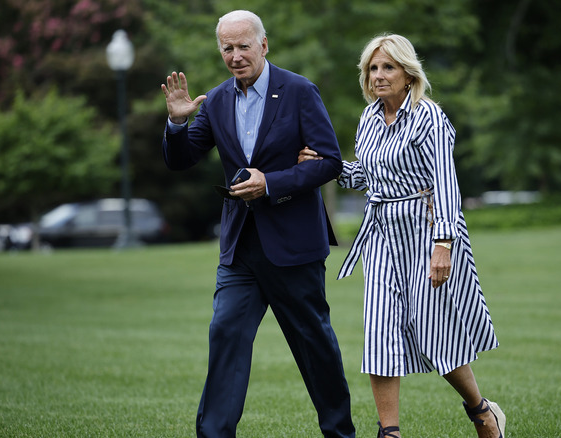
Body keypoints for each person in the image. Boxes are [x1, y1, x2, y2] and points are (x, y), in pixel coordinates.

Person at [299, 34, 505, 438]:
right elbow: (366, 176)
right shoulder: (369, 118)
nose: (378, 75)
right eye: (372, 68)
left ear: (409, 75)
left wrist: (443, 245)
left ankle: (482, 412)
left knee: (433, 333)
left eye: (387, 67)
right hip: (381, 235)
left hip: (427, 231)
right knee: (378, 334)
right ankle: (389, 433)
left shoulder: (430, 117)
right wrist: (328, 165)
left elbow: (446, 184)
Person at [160, 10, 355, 438]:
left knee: (314, 346)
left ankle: (340, 433)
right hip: (240, 250)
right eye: (226, 48)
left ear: (263, 45)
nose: (235, 56)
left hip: (294, 246)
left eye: (243, 46)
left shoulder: (300, 91)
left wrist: (272, 184)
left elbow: (329, 163)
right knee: (225, 333)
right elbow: (181, 159)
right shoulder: (214, 101)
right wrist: (177, 122)